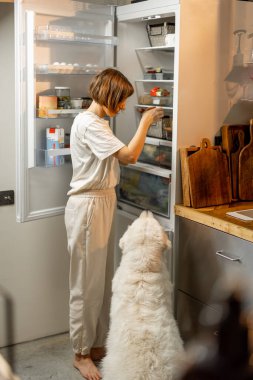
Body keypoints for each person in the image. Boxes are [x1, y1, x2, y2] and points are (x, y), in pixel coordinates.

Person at [64, 67, 164, 380]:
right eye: (120, 101)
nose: (122, 107)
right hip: (89, 204)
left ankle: (93, 345)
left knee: (101, 280)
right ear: (109, 96)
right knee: (85, 283)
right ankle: (81, 354)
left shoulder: (98, 123)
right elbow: (130, 156)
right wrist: (146, 121)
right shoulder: (90, 124)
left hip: (102, 201)